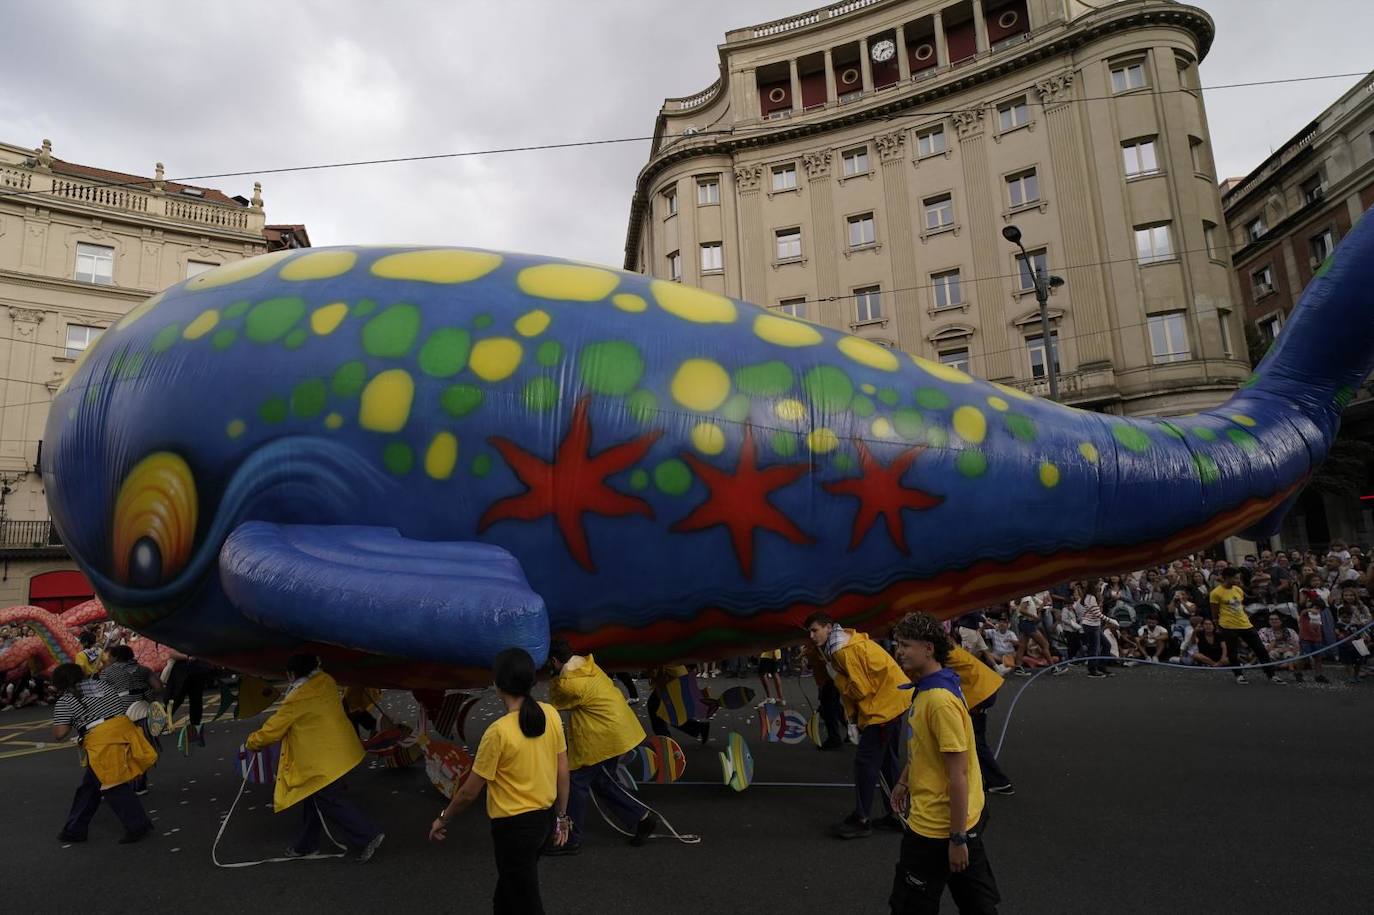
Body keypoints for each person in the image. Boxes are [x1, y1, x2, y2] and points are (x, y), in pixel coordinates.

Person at [430, 648, 570, 915]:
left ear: (499, 685)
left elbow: (469, 793)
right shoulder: (550, 714)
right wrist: (561, 816)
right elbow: (563, 770)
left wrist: (443, 818)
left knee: (526, 901)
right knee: (508, 894)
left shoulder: (498, 733)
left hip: (514, 830)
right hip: (543, 820)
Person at [888, 613, 1001, 914]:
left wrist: (957, 838)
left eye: (905, 645)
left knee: (910, 907)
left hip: (937, 829)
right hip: (960, 820)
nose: (898, 651)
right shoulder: (935, 685)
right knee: (978, 905)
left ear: (928, 648)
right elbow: (927, 749)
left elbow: (958, 773)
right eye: (897, 644)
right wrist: (904, 780)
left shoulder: (938, 700)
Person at [244, 654, 384, 863]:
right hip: (341, 751)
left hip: (321, 759)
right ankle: (306, 845)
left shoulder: (297, 697)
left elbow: (273, 730)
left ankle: (367, 836)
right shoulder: (326, 681)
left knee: (328, 800)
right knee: (312, 798)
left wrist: (252, 742)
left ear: (292, 674)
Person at [545, 638, 656, 854]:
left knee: (576, 784)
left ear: (554, 660)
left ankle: (570, 839)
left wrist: (552, 677)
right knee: (602, 781)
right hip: (617, 729)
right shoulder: (587, 666)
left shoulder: (570, 683)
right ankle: (641, 818)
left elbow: (556, 701)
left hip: (603, 735)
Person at [805, 612, 909, 839]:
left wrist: (837, 679)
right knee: (887, 762)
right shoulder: (844, 640)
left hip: (883, 708)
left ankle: (862, 819)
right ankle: (896, 813)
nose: (812, 636)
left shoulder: (841, 651)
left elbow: (860, 689)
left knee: (865, 762)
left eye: (815, 630)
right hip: (896, 698)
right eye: (810, 632)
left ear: (829, 627)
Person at [50, 662, 157, 844]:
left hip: (103, 740)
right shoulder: (102, 685)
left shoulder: (66, 700)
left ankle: (138, 825)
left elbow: (59, 733)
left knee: (113, 785)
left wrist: (66, 712)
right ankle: (74, 829)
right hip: (123, 730)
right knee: (90, 787)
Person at [943, 644, 1013, 796]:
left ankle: (999, 781)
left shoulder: (939, 652)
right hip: (984, 688)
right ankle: (996, 780)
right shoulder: (948, 646)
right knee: (974, 738)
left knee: (975, 741)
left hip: (980, 692)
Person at [98, 644, 162, 794]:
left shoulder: (107, 672)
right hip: (142, 711)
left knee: (121, 748)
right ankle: (140, 783)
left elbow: (101, 694)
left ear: (114, 657)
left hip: (119, 713)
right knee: (141, 747)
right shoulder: (143, 669)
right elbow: (159, 687)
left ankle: (121, 781)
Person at [1210, 568, 1283, 684]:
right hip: (1228, 625)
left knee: (1260, 649)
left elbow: (1240, 606)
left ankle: (1271, 674)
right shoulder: (1216, 593)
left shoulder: (1238, 590)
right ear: (1228, 578)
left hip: (1245, 624)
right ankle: (1238, 675)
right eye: (1236, 578)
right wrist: (1217, 625)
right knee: (1232, 651)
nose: (1238, 580)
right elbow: (1214, 612)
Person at [645, 664, 710, 745]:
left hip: (672, 679)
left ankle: (666, 742)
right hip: (675, 676)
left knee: (658, 708)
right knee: (668, 711)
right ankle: (699, 728)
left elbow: (658, 672)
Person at [803, 638, 847, 749]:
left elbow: (823, 659)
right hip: (825, 680)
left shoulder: (820, 645)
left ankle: (834, 739)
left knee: (829, 710)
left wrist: (808, 653)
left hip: (828, 680)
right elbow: (812, 663)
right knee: (835, 707)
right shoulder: (814, 644)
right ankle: (853, 731)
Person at [1258, 612, 1303, 681]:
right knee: (1270, 654)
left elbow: (1298, 646)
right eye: (1271, 619)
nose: (1273, 621)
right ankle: (1285, 666)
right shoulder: (1263, 631)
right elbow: (1264, 648)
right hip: (1273, 653)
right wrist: (1274, 643)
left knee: (1292, 654)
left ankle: (1286, 667)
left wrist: (1290, 647)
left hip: (1289, 653)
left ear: (1281, 621)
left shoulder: (1290, 631)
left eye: (1276, 619)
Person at [1297, 598, 1331, 683]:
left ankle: (1318, 675)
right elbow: (1303, 612)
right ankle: (1298, 673)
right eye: (1316, 607)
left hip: (1317, 639)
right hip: (1305, 639)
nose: (1317, 610)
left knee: (1318, 658)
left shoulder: (1319, 616)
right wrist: (1310, 609)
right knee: (1304, 657)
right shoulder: (1305, 614)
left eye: (1320, 609)